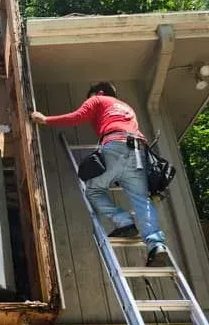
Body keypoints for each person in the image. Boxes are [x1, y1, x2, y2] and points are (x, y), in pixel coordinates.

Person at [31, 82, 168, 267]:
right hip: (138, 152)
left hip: (115, 145)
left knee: (93, 191)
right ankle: (156, 244)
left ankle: (125, 222)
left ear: (98, 92)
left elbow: (77, 117)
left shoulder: (98, 98)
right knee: (142, 199)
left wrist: (45, 120)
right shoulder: (127, 107)